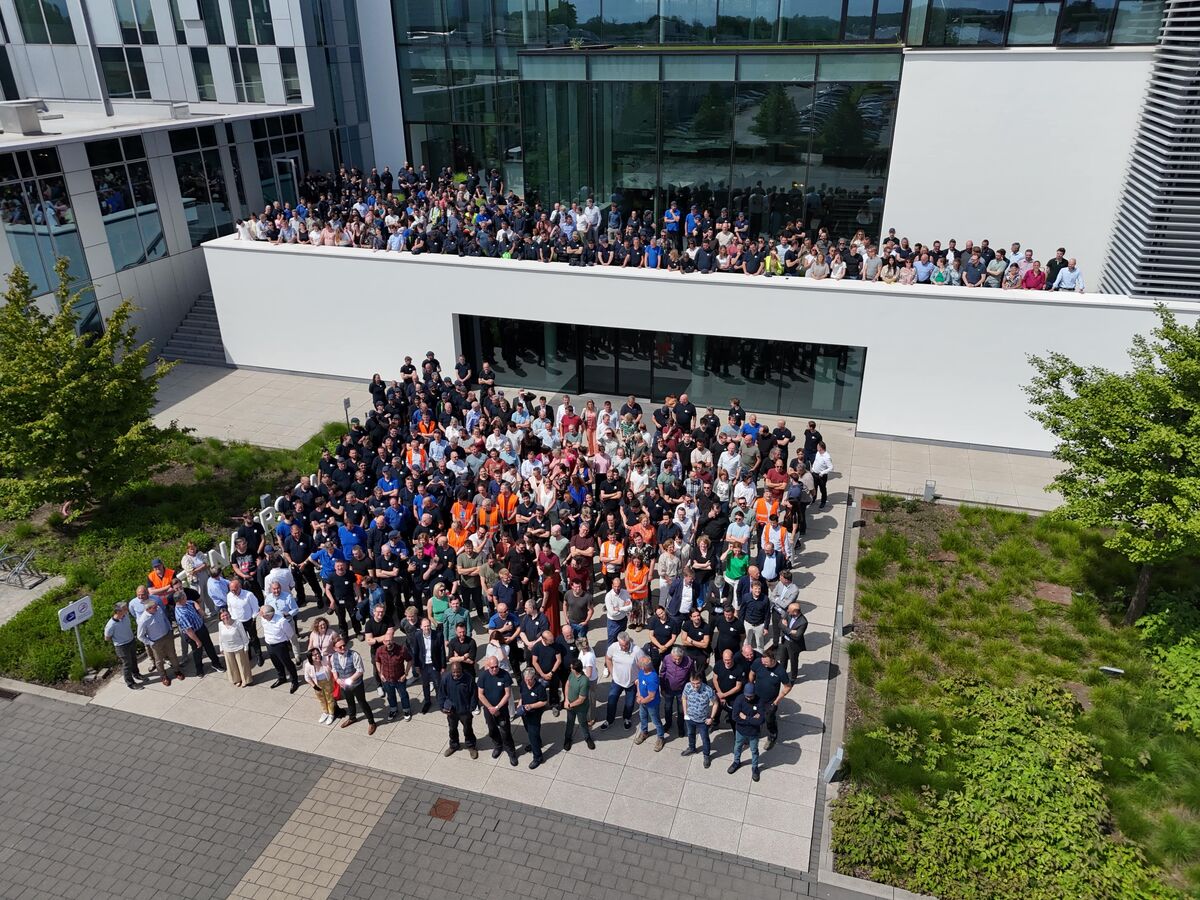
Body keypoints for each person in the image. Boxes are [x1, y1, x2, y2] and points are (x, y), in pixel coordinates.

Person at [477, 655, 519, 766]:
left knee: (506, 732)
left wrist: (497, 708)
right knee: (492, 730)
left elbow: (507, 694)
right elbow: (480, 695)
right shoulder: (483, 676)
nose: (495, 669)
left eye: (496, 666)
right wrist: (491, 708)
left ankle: (511, 752)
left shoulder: (505, 675)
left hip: (502, 710)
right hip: (489, 711)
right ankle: (498, 746)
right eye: (492, 667)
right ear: (488, 666)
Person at [331, 635, 377, 734]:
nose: (343, 647)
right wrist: (337, 679)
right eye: (340, 647)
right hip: (344, 686)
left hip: (356, 685)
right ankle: (352, 718)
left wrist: (349, 679)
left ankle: (371, 722)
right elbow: (334, 669)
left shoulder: (354, 655)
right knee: (350, 702)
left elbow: (360, 670)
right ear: (334, 648)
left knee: (362, 703)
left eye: (344, 645)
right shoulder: (333, 657)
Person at [750, 647, 792, 751]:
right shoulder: (758, 662)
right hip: (756, 697)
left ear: (773, 660)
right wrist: (750, 685)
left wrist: (777, 701)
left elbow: (787, 687)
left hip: (770, 701)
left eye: (766, 663)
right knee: (755, 714)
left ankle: (773, 735)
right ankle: (756, 730)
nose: (763, 664)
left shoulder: (780, 671)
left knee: (769, 719)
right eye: (763, 662)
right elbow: (752, 672)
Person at [136, 598, 185, 686]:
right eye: (154, 607)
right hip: (156, 641)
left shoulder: (158, 609)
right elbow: (140, 636)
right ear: (148, 609)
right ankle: (163, 676)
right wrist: (150, 642)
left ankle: (177, 671)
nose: (157, 608)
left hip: (167, 636)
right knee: (159, 660)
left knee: (172, 655)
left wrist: (170, 629)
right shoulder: (143, 620)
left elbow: (165, 619)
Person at [174, 590, 224, 678]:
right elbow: (188, 630)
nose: (186, 597)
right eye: (185, 596)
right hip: (193, 634)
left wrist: (198, 609)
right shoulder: (181, 615)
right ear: (181, 599)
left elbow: (193, 602)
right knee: (197, 652)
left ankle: (216, 663)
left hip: (201, 628)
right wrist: (197, 641)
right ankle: (199, 670)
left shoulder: (186, 603)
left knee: (209, 647)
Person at [602, 631, 643, 730]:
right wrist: (612, 672)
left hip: (631, 682)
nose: (624, 647)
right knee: (611, 701)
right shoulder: (613, 647)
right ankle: (609, 720)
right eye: (621, 645)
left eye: (626, 645)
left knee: (629, 704)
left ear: (629, 642)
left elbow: (643, 667)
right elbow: (608, 658)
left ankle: (627, 718)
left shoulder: (637, 651)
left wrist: (638, 680)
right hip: (617, 681)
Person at [407, 616, 446, 714]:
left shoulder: (438, 635)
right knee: (425, 685)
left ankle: (440, 702)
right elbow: (416, 651)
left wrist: (443, 666)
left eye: (428, 626)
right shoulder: (417, 635)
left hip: (434, 664)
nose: (427, 628)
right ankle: (427, 701)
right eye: (424, 626)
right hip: (423, 665)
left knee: (438, 684)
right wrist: (416, 665)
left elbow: (442, 651)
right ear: (421, 627)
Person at [440, 660, 478, 758]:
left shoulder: (469, 679)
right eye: (454, 672)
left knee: (467, 729)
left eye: (458, 672)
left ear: (462, 670)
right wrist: (442, 707)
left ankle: (471, 746)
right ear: (451, 671)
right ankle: (454, 745)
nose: (456, 674)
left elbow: (474, 695)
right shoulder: (445, 679)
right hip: (451, 711)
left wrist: (471, 708)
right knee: (452, 729)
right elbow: (441, 694)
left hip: (465, 711)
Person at [728, 682, 765, 781]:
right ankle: (736, 762)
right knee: (737, 747)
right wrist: (753, 720)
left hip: (753, 733)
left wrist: (745, 717)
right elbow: (735, 717)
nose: (748, 698)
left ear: (754, 694)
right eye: (747, 696)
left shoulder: (760, 701)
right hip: (740, 731)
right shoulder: (739, 699)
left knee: (754, 750)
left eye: (750, 696)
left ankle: (755, 767)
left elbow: (761, 720)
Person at [681, 668, 718, 767]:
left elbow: (715, 704)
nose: (695, 686)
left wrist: (711, 718)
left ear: (701, 680)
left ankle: (706, 755)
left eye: (697, 683)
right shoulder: (687, 686)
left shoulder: (708, 690)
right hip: (690, 718)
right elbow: (684, 698)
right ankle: (692, 748)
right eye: (693, 683)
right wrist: (685, 713)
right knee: (690, 734)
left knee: (705, 739)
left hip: (703, 721)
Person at [103, 601, 145, 690]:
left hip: (131, 641)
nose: (127, 610)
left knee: (134, 659)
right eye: (125, 609)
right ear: (118, 611)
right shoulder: (111, 625)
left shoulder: (126, 616)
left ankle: (136, 674)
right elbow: (107, 638)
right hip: (122, 647)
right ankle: (130, 683)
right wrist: (118, 639)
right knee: (127, 664)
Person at [259, 605, 301, 692]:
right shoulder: (263, 619)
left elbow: (290, 634)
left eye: (262, 613)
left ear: (268, 615)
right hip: (269, 645)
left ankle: (294, 681)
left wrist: (284, 642)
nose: (260, 614)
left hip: (280, 646)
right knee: (276, 663)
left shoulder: (282, 621)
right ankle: (282, 678)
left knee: (287, 663)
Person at [517, 667, 550, 769]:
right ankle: (537, 743)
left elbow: (544, 702)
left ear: (534, 677)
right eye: (526, 679)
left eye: (530, 680)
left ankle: (538, 757)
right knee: (529, 731)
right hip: (525, 713)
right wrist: (520, 703)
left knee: (532, 735)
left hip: (534, 715)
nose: (528, 682)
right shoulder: (523, 683)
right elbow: (522, 695)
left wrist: (531, 706)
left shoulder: (540, 688)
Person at [226, 577, 263, 666]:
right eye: (231, 590)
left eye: (235, 590)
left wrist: (253, 619)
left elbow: (255, 608)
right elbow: (229, 607)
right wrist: (232, 618)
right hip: (237, 622)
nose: (233, 592)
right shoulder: (229, 595)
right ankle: (248, 654)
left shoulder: (248, 595)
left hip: (249, 621)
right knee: (243, 639)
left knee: (253, 638)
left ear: (240, 587)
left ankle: (259, 655)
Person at [376, 635, 414, 722]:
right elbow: (377, 661)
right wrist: (380, 673)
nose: (388, 643)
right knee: (390, 696)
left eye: (390, 640)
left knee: (403, 695)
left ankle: (406, 710)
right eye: (386, 641)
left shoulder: (401, 650)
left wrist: (405, 674)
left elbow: (409, 660)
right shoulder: (380, 650)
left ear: (393, 640)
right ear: (383, 642)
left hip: (399, 679)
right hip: (386, 679)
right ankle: (393, 710)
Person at [658, 645, 693, 739]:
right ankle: (668, 723)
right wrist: (662, 688)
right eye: (675, 659)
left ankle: (680, 727)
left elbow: (691, 676)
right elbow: (662, 673)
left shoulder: (689, 661)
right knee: (667, 708)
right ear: (671, 656)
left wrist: (689, 690)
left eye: (679, 659)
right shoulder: (667, 658)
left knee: (681, 710)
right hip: (668, 690)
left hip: (681, 691)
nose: (677, 661)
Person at [562, 658, 595, 751]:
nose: (570, 668)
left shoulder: (584, 681)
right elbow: (567, 684)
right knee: (570, 723)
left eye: (571, 668)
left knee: (583, 723)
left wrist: (569, 705)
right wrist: (566, 700)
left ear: (575, 670)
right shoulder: (572, 674)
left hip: (581, 708)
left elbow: (581, 699)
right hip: (570, 705)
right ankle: (567, 739)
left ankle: (587, 738)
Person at [217, 608, 253, 687]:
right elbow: (220, 637)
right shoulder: (220, 624)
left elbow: (244, 636)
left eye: (226, 615)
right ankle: (236, 680)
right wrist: (221, 648)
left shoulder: (237, 623)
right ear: (220, 617)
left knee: (242, 665)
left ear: (229, 614)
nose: (225, 617)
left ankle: (245, 680)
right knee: (232, 666)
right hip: (227, 649)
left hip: (238, 647)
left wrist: (246, 647)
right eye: (223, 616)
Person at [303, 648, 337, 724]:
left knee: (330, 699)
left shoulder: (325, 659)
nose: (317, 655)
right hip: (317, 684)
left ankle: (331, 714)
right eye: (314, 655)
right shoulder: (308, 665)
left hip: (328, 682)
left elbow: (333, 665)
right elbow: (307, 677)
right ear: (310, 657)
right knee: (321, 699)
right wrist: (314, 686)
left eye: (318, 653)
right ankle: (325, 712)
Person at [781, 602, 808, 680]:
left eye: (789, 610)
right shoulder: (788, 614)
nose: (787, 611)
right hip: (785, 641)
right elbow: (780, 624)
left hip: (794, 645)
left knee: (793, 662)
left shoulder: (803, 622)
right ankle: (782, 674)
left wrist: (785, 628)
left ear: (795, 612)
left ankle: (793, 678)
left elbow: (797, 636)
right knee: (783, 660)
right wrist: (790, 631)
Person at [811, 441, 833, 510]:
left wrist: (822, 473)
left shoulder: (827, 457)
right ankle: (813, 499)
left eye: (817, 446)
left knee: (822, 489)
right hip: (814, 474)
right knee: (814, 488)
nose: (816, 447)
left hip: (821, 477)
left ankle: (823, 501)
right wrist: (813, 468)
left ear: (820, 448)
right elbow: (815, 461)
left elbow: (831, 467)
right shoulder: (818, 453)